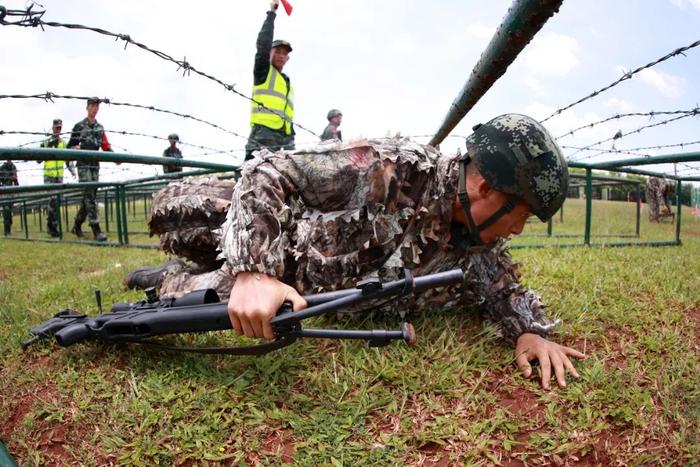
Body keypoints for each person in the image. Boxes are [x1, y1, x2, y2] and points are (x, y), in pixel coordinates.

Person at [126, 114, 584, 390]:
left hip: (302, 293)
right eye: (520, 214)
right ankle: (196, 266)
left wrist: (529, 332)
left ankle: (170, 278)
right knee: (181, 212)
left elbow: (503, 288)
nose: (519, 228)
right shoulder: (392, 168)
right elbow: (270, 170)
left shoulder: (475, 243)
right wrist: (254, 271)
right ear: (485, 187)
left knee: (194, 293)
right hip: (278, 246)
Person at [244, 0, 295, 161]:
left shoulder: (285, 80)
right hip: (264, 135)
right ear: (269, 53)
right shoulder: (263, 71)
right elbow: (263, 44)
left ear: (288, 58)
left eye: (284, 53)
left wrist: (291, 134)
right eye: (277, 51)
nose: (281, 55)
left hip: (286, 137)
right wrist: (271, 14)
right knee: (256, 175)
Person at [67, 97, 112, 242]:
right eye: (92, 105)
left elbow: (105, 146)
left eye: (97, 106)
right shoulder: (79, 126)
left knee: (89, 195)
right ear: (87, 107)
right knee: (90, 196)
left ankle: (77, 225)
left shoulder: (100, 128)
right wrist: (76, 147)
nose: (95, 108)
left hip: (94, 165)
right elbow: (70, 146)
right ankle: (96, 229)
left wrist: (115, 157)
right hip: (83, 164)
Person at [39, 118, 76, 237]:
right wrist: (48, 148)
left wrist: (72, 171)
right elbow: (38, 159)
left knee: (56, 202)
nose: (58, 130)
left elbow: (67, 160)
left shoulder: (63, 144)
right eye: (56, 127)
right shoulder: (45, 142)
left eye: (60, 128)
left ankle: (51, 226)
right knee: (52, 201)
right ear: (52, 127)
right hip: (49, 176)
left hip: (59, 177)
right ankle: (53, 227)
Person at [0, 159, 19, 236]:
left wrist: (17, 187)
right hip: (5, 190)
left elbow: (15, 179)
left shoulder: (13, 166)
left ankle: (8, 228)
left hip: (11, 191)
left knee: (9, 210)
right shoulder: (2, 167)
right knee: (6, 210)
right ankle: (7, 229)